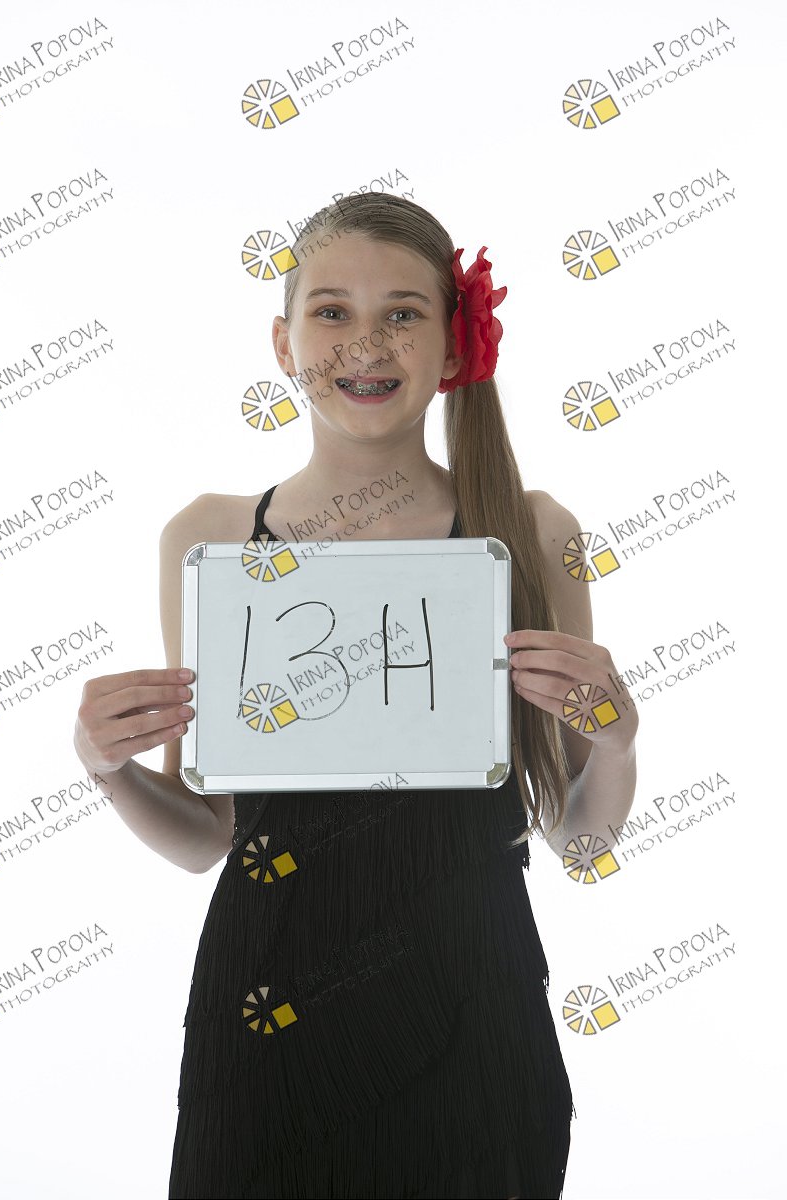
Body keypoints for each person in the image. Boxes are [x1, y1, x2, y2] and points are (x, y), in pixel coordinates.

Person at [73, 191, 638, 1199]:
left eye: (402, 313)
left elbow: (582, 840)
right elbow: (207, 836)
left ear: (453, 343)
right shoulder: (209, 541)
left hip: (473, 1003)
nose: (365, 344)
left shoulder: (533, 532)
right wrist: (106, 769)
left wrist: (616, 738)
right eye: (331, 311)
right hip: (268, 1005)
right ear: (282, 342)